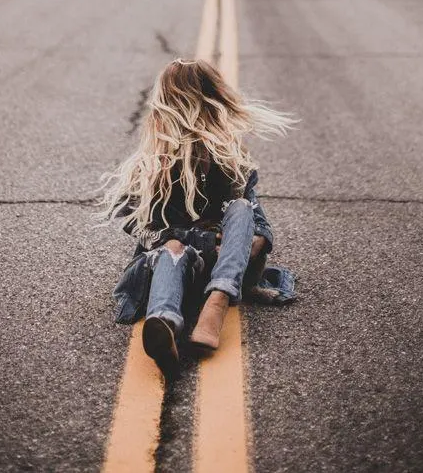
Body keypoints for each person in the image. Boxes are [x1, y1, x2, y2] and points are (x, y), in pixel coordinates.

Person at [99, 58, 296, 380]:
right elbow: (139, 225)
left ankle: (217, 301)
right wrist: (183, 239)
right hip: (183, 261)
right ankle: (163, 323)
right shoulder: (151, 164)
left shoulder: (232, 159)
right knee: (170, 251)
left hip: (230, 263)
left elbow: (257, 227)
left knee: (242, 210)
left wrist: (246, 242)